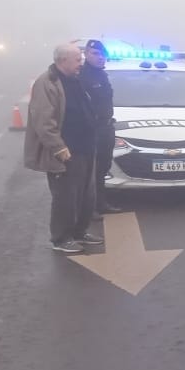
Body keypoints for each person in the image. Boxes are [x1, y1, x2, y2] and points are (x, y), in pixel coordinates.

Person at [23, 42, 103, 254]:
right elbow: (43, 120)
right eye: (77, 59)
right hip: (66, 151)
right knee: (66, 196)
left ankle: (79, 231)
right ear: (62, 61)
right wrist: (59, 148)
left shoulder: (75, 79)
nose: (81, 63)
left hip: (85, 147)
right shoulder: (47, 83)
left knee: (86, 195)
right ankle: (61, 238)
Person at [81, 39, 120, 216]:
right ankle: (89, 208)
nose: (100, 58)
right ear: (86, 54)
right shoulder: (82, 76)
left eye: (103, 54)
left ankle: (100, 203)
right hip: (92, 130)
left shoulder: (102, 75)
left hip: (106, 128)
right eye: (95, 54)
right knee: (90, 171)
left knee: (103, 168)